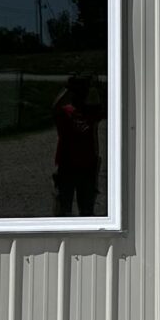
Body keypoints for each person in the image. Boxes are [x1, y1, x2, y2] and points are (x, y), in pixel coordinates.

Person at [49, 71, 101, 216]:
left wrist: (93, 86)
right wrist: (69, 88)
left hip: (87, 165)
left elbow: (104, 104)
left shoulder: (90, 112)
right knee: (63, 208)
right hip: (68, 165)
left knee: (87, 210)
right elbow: (55, 107)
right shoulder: (67, 112)